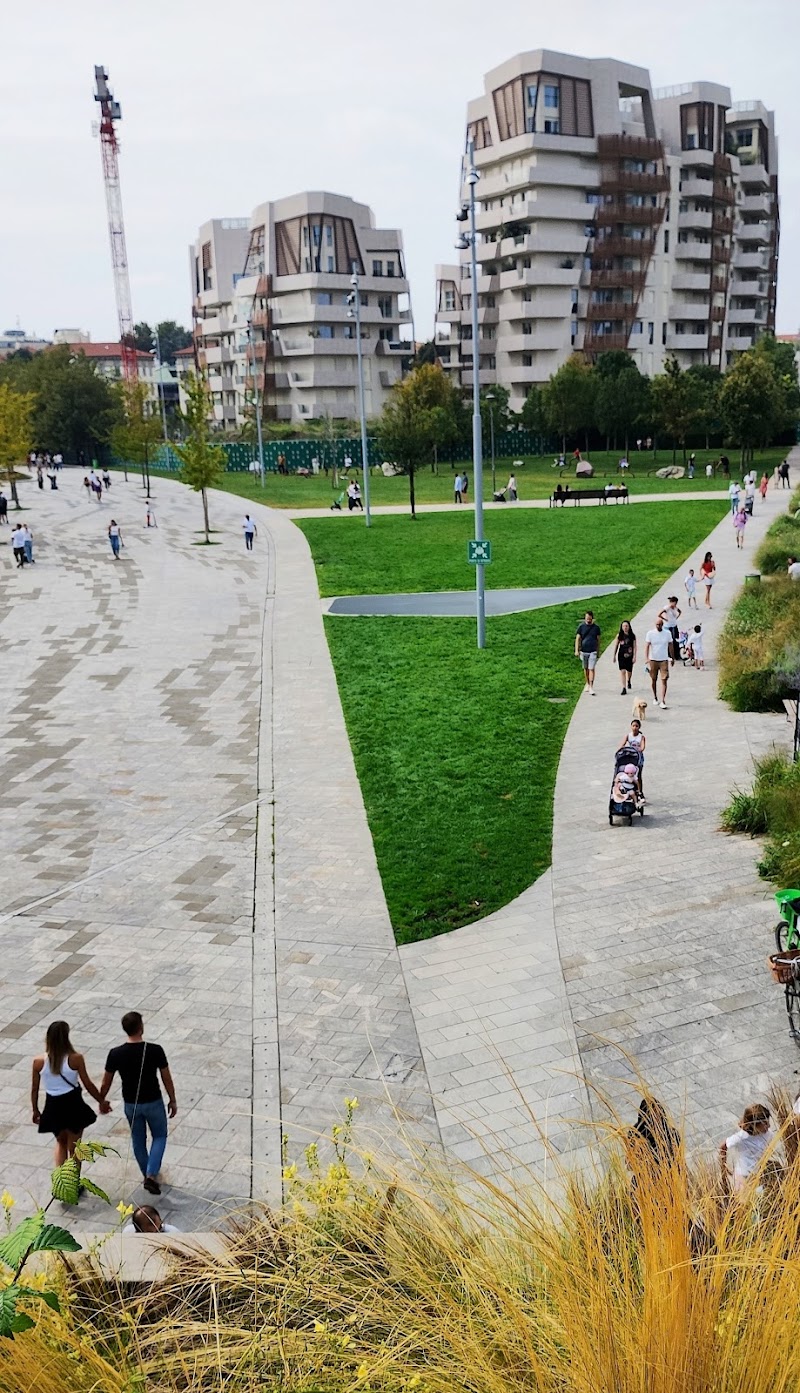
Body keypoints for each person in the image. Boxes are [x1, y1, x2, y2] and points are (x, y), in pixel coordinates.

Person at [100, 1011, 177, 1196]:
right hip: (153, 1101)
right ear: (141, 1028)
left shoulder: (115, 1054)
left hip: (131, 1104)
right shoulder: (155, 1050)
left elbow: (105, 1082)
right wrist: (172, 1099)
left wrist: (102, 1100)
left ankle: (147, 1175)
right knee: (159, 1136)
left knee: (138, 1139)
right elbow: (166, 1077)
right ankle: (151, 1175)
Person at [31, 1020, 110, 1168]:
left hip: (52, 1105)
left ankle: (61, 1183)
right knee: (74, 1148)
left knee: (60, 1143)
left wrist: (35, 1109)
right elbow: (87, 1083)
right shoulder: (75, 1059)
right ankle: (73, 1185)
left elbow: (34, 1089)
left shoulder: (38, 1062)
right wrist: (101, 1100)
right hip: (72, 1104)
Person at [720, 1103, 772, 1197]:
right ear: (754, 1125)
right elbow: (723, 1146)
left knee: (758, 1201)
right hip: (743, 1175)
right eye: (765, 1123)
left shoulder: (768, 1134)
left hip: (758, 1173)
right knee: (744, 1202)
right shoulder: (741, 1137)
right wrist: (724, 1166)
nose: (769, 1126)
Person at [644, 616, 673, 709]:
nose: (658, 626)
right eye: (657, 624)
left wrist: (672, 657)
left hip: (664, 659)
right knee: (653, 679)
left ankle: (663, 700)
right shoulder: (650, 633)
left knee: (664, 679)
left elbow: (670, 645)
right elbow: (647, 646)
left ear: (662, 625)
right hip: (653, 659)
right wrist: (647, 658)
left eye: (660, 625)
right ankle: (655, 697)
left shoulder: (667, 633)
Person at [575, 610, 601, 696]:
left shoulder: (596, 628)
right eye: (587, 618)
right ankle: (587, 683)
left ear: (592, 618)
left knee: (591, 668)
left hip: (592, 651)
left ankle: (591, 686)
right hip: (584, 651)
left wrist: (598, 651)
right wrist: (576, 650)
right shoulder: (581, 627)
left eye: (590, 619)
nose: (588, 620)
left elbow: (598, 640)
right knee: (585, 668)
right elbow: (578, 638)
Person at [618, 717, 646, 795]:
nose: (634, 728)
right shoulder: (628, 736)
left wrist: (638, 749)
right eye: (633, 726)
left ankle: (640, 791)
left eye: (636, 726)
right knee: (628, 773)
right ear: (631, 727)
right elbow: (622, 744)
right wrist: (620, 750)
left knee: (638, 775)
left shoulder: (641, 737)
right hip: (630, 756)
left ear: (639, 727)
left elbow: (642, 747)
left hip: (638, 757)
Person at [612, 620, 637, 695]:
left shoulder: (632, 636)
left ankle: (629, 680)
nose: (625, 627)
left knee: (629, 670)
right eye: (623, 626)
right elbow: (616, 645)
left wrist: (634, 656)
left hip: (630, 655)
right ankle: (624, 687)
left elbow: (635, 646)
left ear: (629, 627)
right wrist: (614, 655)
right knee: (623, 671)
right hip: (621, 655)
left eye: (626, 626)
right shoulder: (619, 635)